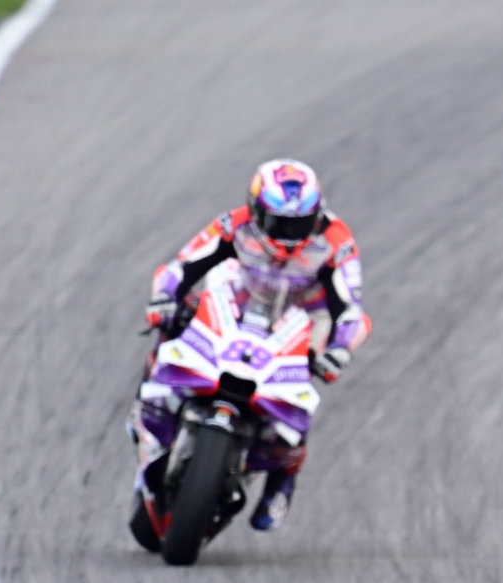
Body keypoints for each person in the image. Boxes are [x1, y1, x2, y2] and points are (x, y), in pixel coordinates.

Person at [141, 159, 370, 531]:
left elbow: (349, 308)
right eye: (280, 223)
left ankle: (282, 480)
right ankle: (152, 403)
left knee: (301, 386)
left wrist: (338, 349)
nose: (290, 235)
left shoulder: (337, 243)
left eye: (301, 223)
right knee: (173, 323)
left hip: (302, 317)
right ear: (256, 210)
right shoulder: (233, 225)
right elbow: (183, 265)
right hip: (239, 302)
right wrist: (165, 298)